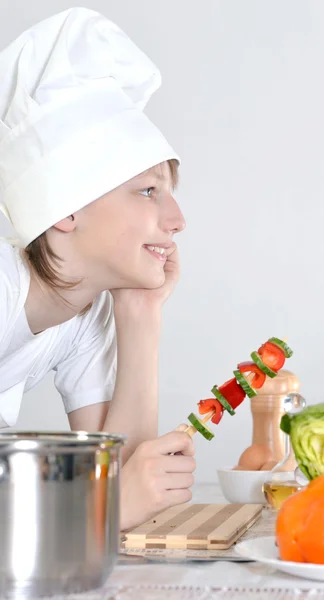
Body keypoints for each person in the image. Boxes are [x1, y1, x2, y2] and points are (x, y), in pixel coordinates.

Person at [0, 7, 196, 531]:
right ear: (65, 208)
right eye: (149, 191)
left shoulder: (84, 315)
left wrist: (142, 313)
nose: (176, 221)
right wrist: (105, 514)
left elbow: (121, 476)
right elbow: (113, 506)